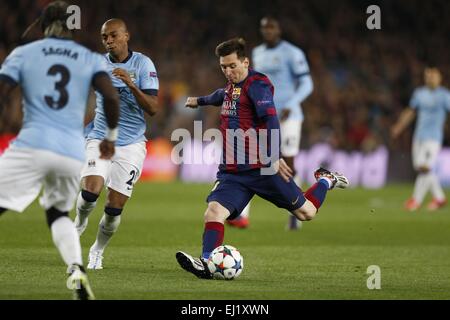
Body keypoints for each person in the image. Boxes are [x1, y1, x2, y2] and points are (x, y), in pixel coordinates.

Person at [175, 38, 348, 279]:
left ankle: (325, 179)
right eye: (223, 67)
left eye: (233, 65)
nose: (228, 71)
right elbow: (220, 96)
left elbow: (271, 120)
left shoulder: (258, 85)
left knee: (306, 213)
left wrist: (274, 156)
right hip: (233, 172)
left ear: (245, 62)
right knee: (213, 213)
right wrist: (199, 100)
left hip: (263, 169)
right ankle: (206, 263)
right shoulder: (231, 86)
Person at [0, 1, 119, 299]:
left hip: (32, 144)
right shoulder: (89, 57)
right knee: (58, 214)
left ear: (44, 25)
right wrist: (111, 138)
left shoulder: (24, 53)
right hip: (70, 151)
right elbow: (111, 97)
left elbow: (2, 91)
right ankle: (77, 269)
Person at [74, 18, 159, 270]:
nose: (108, 41)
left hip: (131, 144)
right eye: (104, 37)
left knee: (114, 207)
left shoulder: (143, 64)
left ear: (126, 36)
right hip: (100, 136)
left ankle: (97, 251)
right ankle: (79, 222)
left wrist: (131, 84)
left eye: (113, 36)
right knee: (90, 191)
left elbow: (153, 108)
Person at [228, 17, 314, 230]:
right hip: (263, 114)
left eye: (272, 27)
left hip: (289, 117)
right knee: (251, 161)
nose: (268, 31)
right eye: (264, 28)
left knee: (289, 165)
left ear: (279, 29)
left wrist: (291, 104)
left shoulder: (293, 53)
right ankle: (241, 215)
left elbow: (307, 83)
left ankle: (296, 212)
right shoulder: (257, 53)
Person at [391, 66, 450, 211]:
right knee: (420, 167)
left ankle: (415, 201)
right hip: (419, 136)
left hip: (434, 138)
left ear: (439, 78)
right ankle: (439, 198)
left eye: (433, 76)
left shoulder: (444, 95)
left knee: (425, 167)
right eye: (427, 76)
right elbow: (411, 111)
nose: (430, 78)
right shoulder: (420, 93)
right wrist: (399, 126)